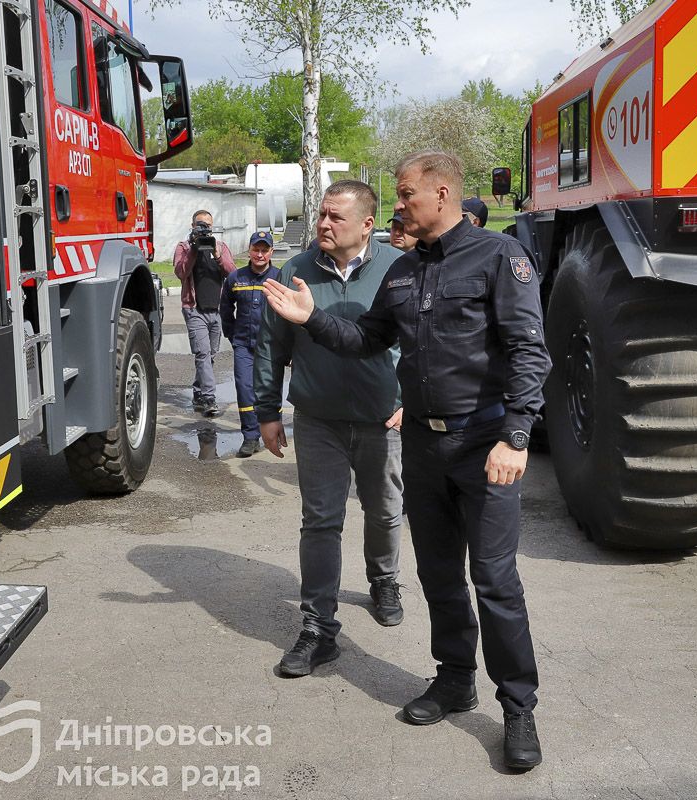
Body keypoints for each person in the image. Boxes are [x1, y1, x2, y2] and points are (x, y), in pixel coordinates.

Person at [263, 152, 550, 771]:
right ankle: (453, 680)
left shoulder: (500, 258)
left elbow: (530, 350)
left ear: (442, 194)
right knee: (440, 575)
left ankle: (517, 707)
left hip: (485, 444)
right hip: (423, 446)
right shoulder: (402, 274)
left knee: (496, 582)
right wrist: (312, 320)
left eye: (406, 195)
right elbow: (366, 340)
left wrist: (517, 435)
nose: (398, 207)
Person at [254, 180, 406, 678]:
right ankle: (318, 628)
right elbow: (270, 344)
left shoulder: (396, 269)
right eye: (321, 214)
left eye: (335, 217)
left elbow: (419, 341)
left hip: (383, 418)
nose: (322, 224)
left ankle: (384, 579)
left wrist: (408, 397)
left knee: (385, 512)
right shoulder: (295, 271)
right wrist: (268, 411)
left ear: (367, 224)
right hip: (318, 420)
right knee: (320, 522)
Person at [221, 230, 281, 457]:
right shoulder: (235, 278)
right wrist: (232, 335)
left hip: (270, 346)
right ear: (250, 250)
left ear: (271, 252)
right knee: (245, 389)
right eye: (256, 249)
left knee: (268, 390)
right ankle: (250, 437)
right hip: (243, 345)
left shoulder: (279, 277)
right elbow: (225, 309)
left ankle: (271, 433)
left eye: (264, 250)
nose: (260, 254)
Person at [174, 210, 236, 417]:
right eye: (200, 224)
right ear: (192, 226)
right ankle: (209, 398)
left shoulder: (220, 246)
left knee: (210, 355)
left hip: (217, 309)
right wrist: (194, 249)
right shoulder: (183, 247)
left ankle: (199, 391)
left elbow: (232, 272)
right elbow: (181, 273)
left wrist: (217, 255)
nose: (204, 228)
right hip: (194, 309)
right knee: (203, 353)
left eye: (208, 225)